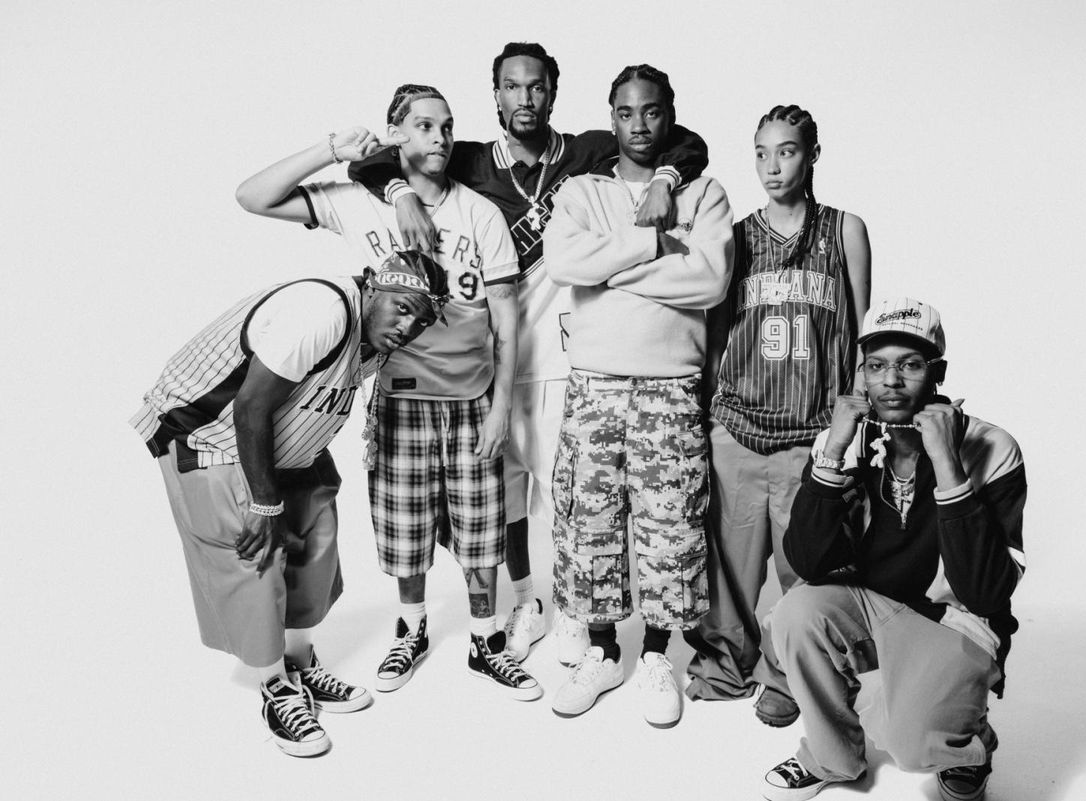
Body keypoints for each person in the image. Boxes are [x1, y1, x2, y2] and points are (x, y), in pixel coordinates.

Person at [349, 42, 710, 665]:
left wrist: (664, 179)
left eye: (536, 86)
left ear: (552, 93)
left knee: (572, 492)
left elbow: (684, 140)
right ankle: (527, 601)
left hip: (569, 355)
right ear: (495, 95)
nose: (525, 98)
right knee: (508, 494)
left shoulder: (588, 150)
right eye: (512, 87)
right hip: (496, 356)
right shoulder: (468, 158)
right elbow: (375, 159)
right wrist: (400, 194)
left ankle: (575, 612)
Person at [236, 84, 540, 700]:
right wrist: (332, 148)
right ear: (395, 133)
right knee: (404, 527)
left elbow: (507, 320)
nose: (441, 137)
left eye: (447, 126)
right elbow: (253, 197)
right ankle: (412, 628)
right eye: (424, 125)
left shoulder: (479, 212)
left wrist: (502, 407)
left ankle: (485, 640)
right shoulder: (360, 203)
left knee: (481, 526)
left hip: (472, 396)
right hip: (399, 399)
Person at [131, 252, 448, 757]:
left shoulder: (373, 336)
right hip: (211, 435)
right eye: (403, 308)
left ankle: (300, 664)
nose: (409, 327)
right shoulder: (321, 312)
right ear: (372, 287)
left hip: (287, 443)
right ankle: (275, 687)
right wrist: (264, 503)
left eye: (423, 320)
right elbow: (250, 406)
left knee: (316, 541)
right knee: (255, 556)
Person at [759, 298, 1026, 801]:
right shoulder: (845, 440)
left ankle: (967, 746)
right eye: (877, 366)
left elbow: (986, 592)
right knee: (797, 611)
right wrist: (833, 450)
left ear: (937, 373)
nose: (891, 381)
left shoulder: (993, 446)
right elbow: (809, 562)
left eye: (910, 365)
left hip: (953, 619)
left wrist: (946, 462)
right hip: (871, 603)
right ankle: (832, 757)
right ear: (862, 374)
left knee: (914, 750)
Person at [542, 64, 733, 728]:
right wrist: (653, 242)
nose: (639, 125)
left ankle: (655, 653)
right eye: (626, 113)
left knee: (669, 523)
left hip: (671, 384)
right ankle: (603, 650)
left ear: (669, 114)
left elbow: (708, 280)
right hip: (594, 383)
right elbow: (564, 263)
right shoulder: (581, 191)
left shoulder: (703, 193)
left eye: (651, 112)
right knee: (588, 520)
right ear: (612, 118)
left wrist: (611, 268)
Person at [684, 105, 871, 728]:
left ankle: (792, 672)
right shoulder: (736, 236)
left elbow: (860, 335)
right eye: (761, 152)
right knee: (730, 569)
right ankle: (724, 663)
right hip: (738, 424)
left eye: (786, 151)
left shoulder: (844, 230)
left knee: (808, 567)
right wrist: (709, 412)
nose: (772, 165)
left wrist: (847, 424)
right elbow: (716, 332)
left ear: (812, 155)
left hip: (810, 433)